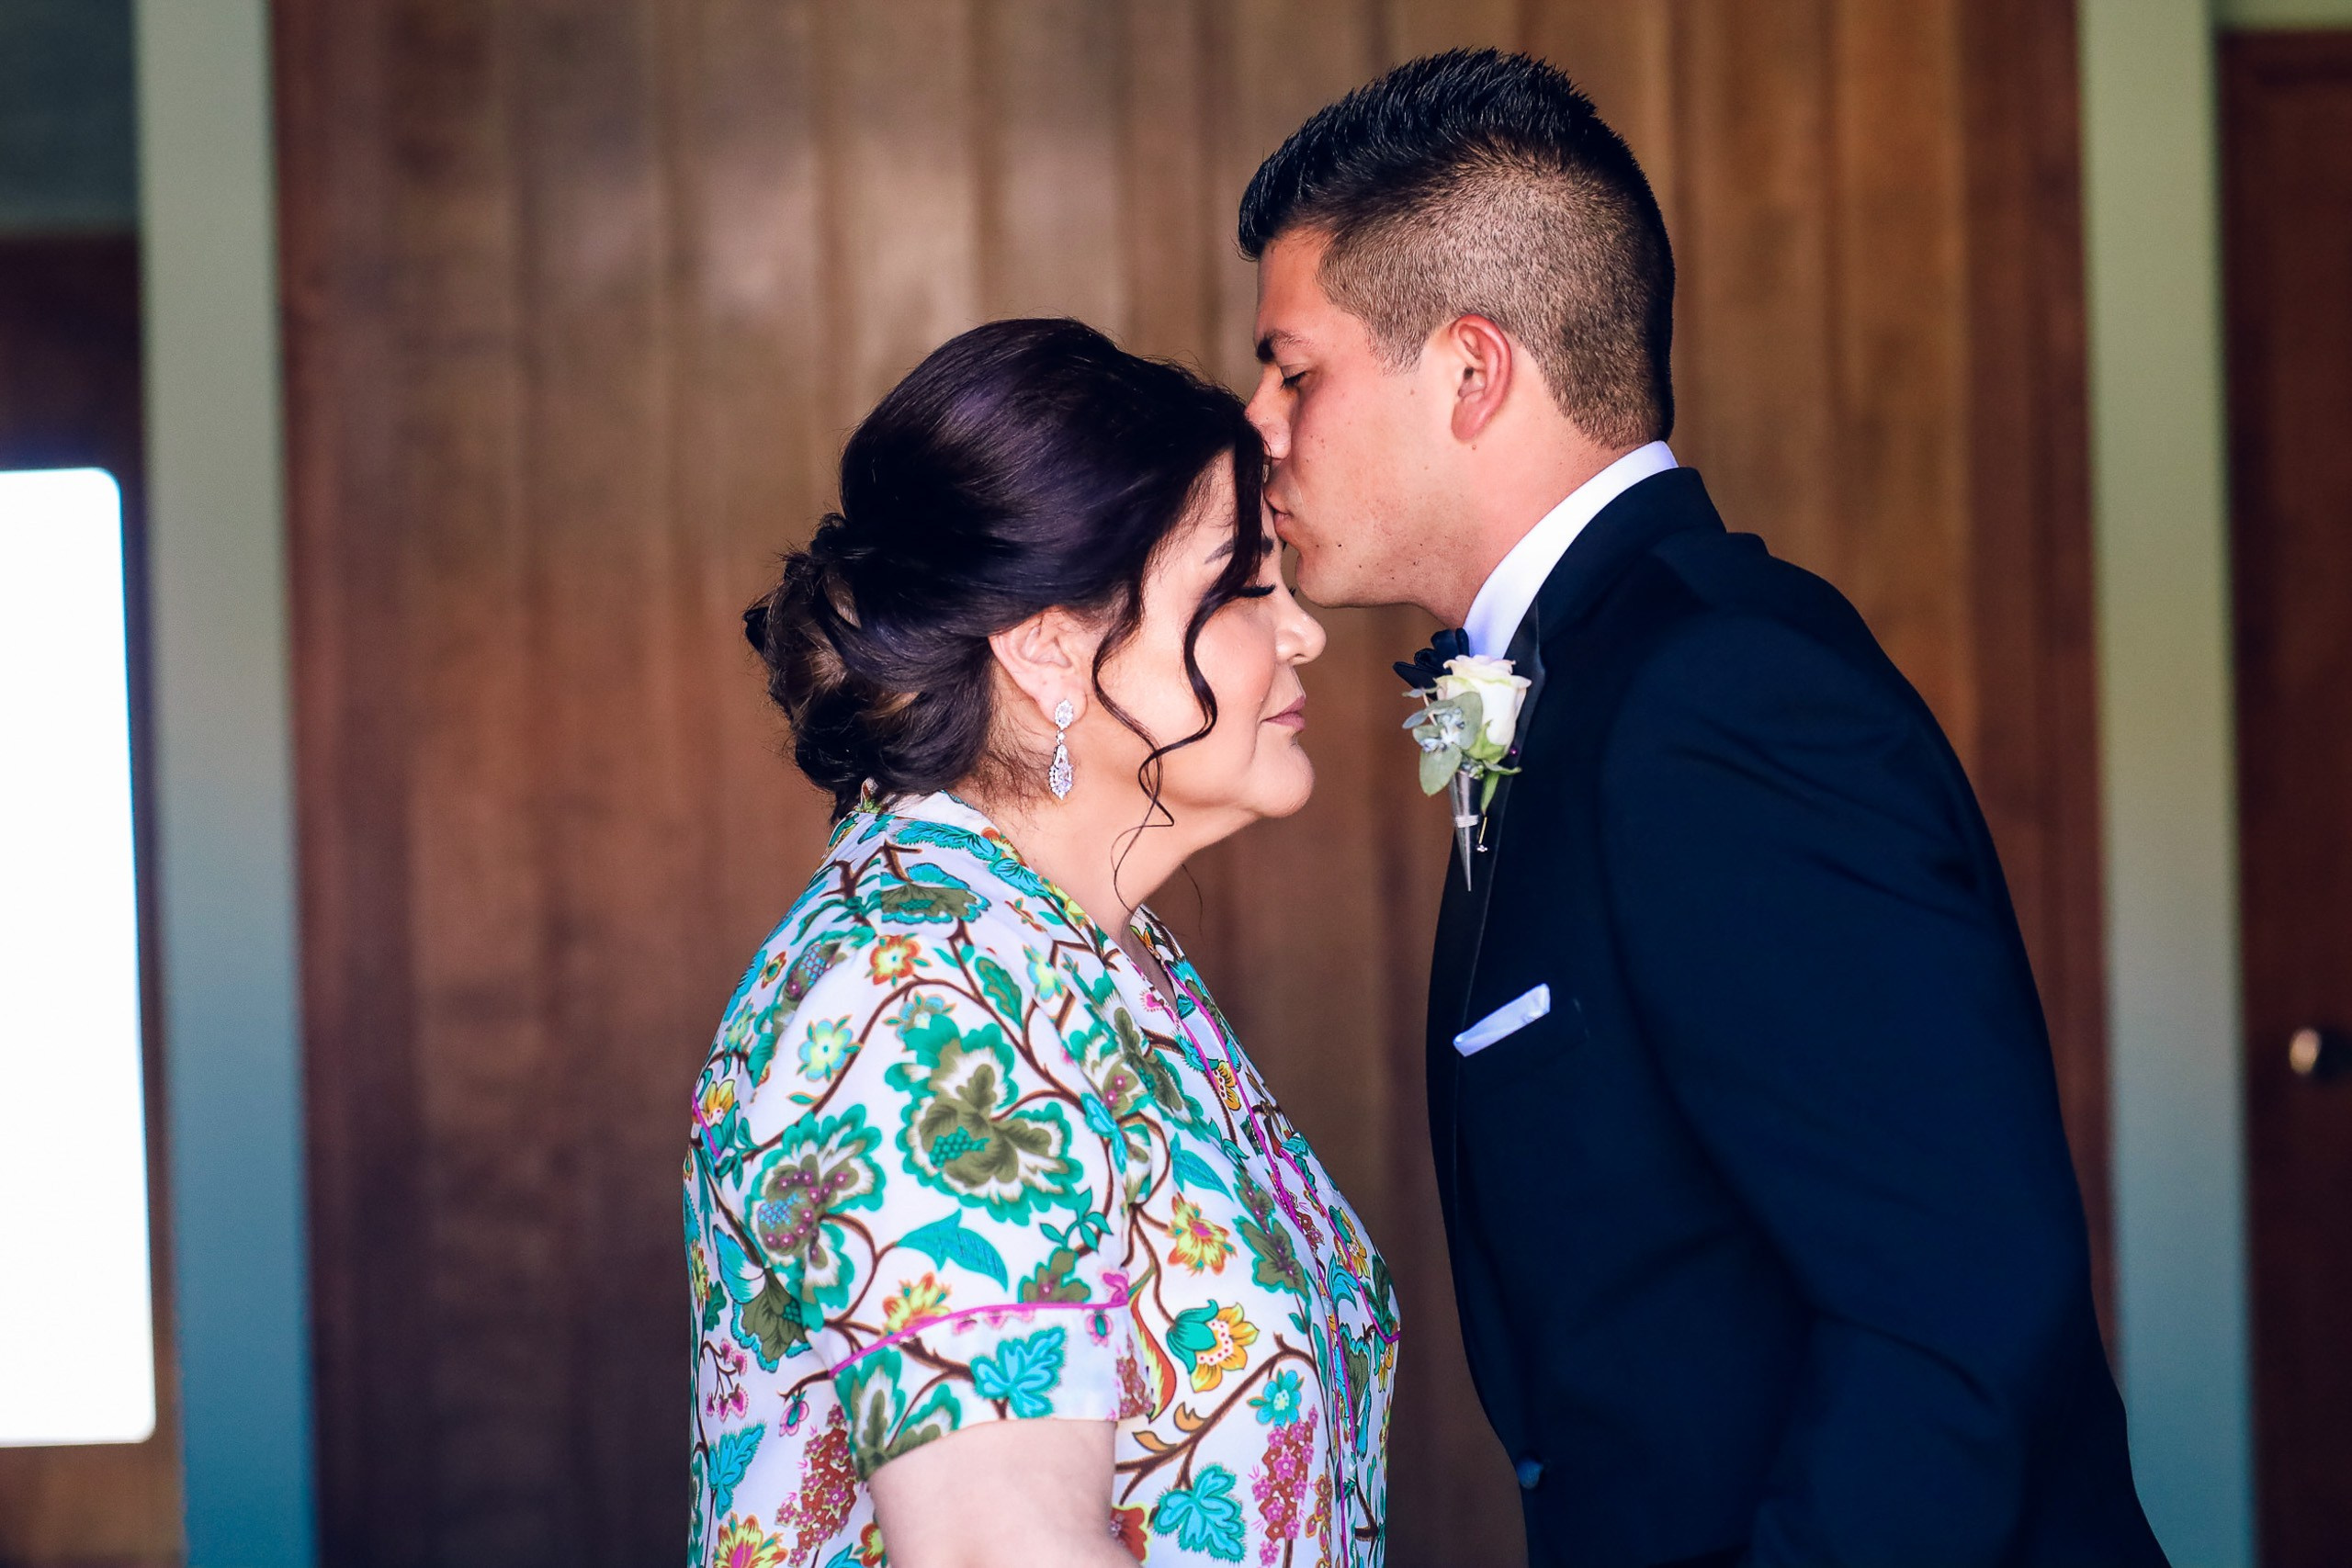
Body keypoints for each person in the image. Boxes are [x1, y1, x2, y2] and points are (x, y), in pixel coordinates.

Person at [1238, 49, 2167, 1568]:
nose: (1259, 424)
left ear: (1472, 371)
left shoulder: (1716, 698)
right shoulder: (1597, 678)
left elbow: (1954, 1313)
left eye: (1294, 369)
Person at [686, 319, 1397, 1568]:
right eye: (1239, 586)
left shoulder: (1087, 953)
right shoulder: (915, 1002)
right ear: (1049, 646)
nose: (1302, 633)